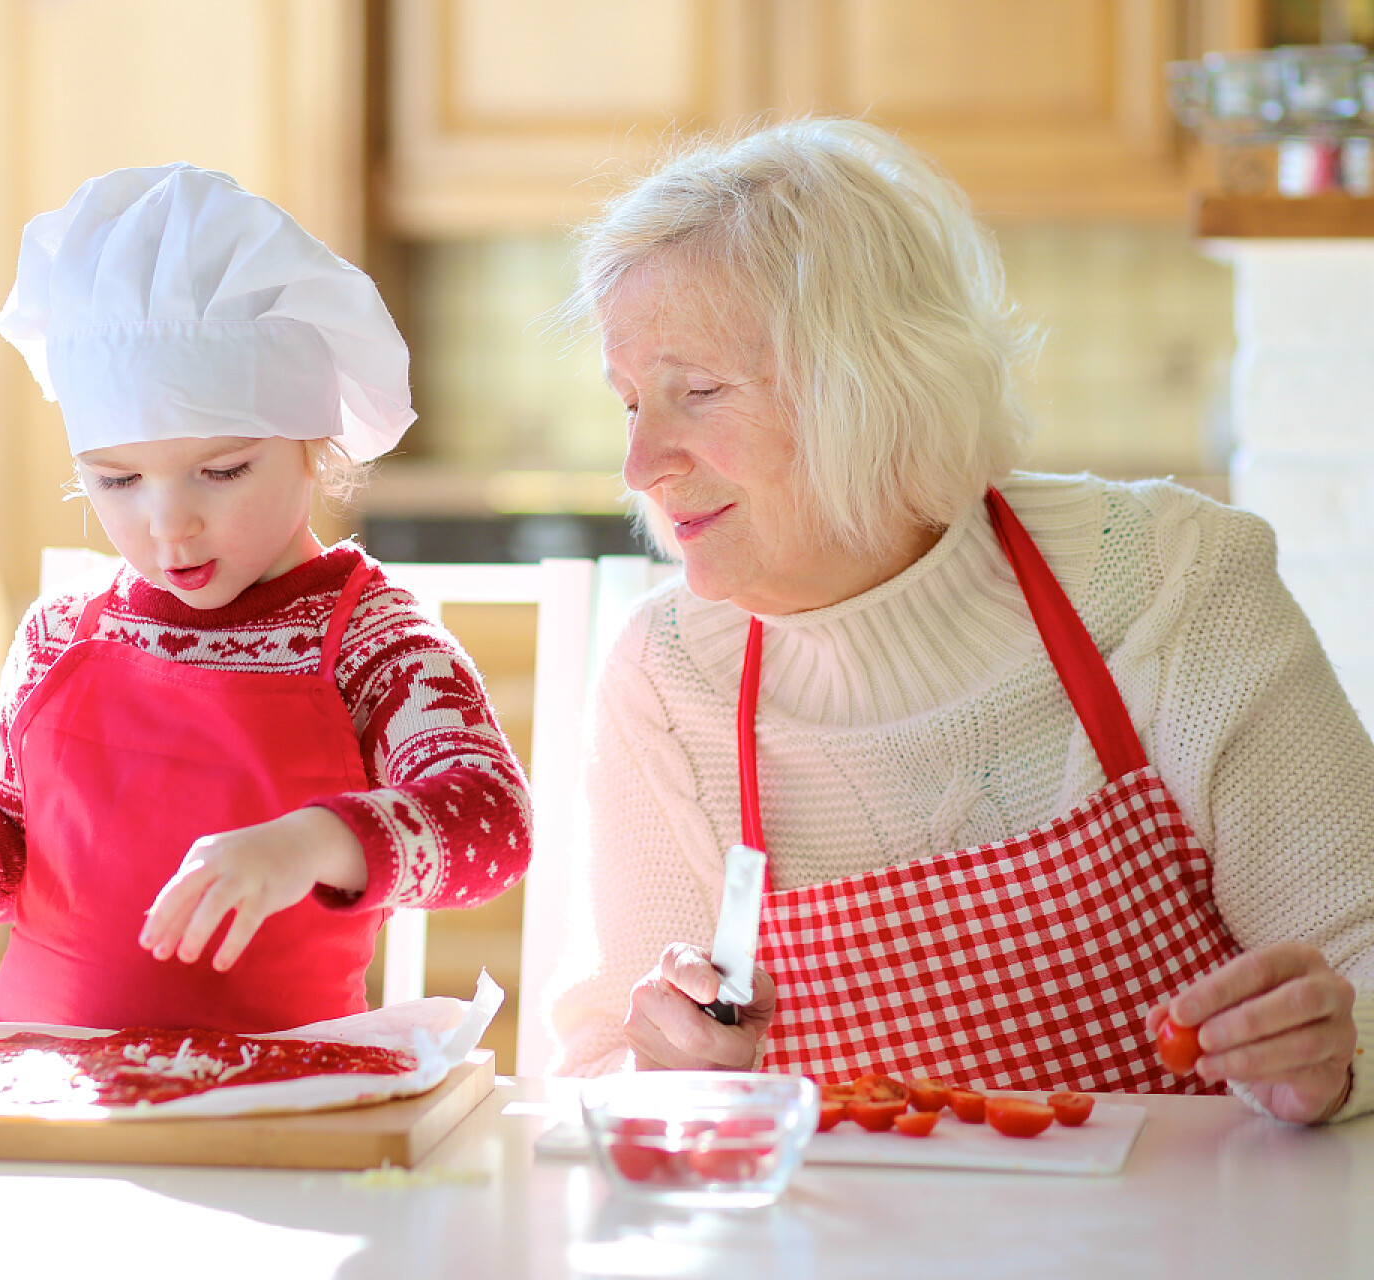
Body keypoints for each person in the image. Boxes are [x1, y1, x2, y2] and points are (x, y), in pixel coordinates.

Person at [545, 118, 1373, 1124]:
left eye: (699, 392)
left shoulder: (1170, 581)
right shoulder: (663, 682)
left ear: (872, 388)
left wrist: (1334, 1055)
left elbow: (1356, 956)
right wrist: (665, 1075)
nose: (640, 466)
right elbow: (593, 1071)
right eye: (632, 403)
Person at [0, 164, 531, 1033]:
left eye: (222, 470)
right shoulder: (57, 635)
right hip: (54, 1091)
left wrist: (313, 842)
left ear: (314, 444)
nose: (171, 527)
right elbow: (15, 851)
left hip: (274, 1107)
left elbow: (493, 824)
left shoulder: (372, 643)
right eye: (116, 482)